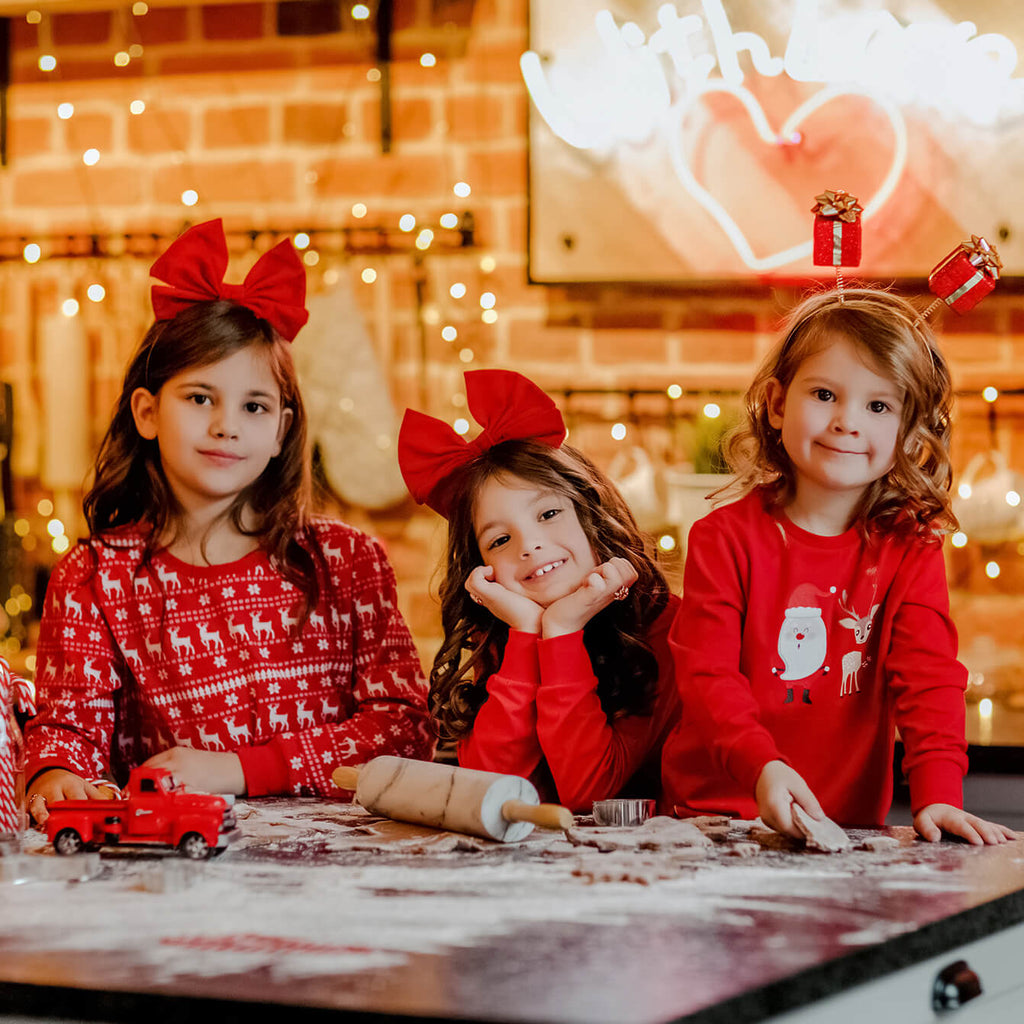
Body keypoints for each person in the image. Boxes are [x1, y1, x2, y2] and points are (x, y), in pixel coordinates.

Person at [24, 219, 433, 821]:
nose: (227, 425)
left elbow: (403, 729)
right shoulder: (93, 580)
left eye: (254, 405)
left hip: (340, 875)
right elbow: (68, 727)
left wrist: (243, 769)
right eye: (199, 398)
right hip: (180, 871)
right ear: (146, 411)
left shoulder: (348, 563)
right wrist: (57, 772)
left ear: (281, 431)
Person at [661, 287, 1016, 845]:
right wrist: (761, 767)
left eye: (878, 406)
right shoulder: (722, 539)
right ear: (778, 405)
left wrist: (940, 794)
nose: (848, 422)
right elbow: (709, 681)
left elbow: (928, 680)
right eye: (825, 394)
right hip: (714, 821)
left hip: (843, 828)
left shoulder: (910, 547)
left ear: (906, 429)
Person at [397, 368, 680, 812]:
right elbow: (490, 790)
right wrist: (529, 634)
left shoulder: (666, 628)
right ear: (482, 567)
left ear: (592, 513)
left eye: (548, 514)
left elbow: (591, 797)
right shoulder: (507, 633)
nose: (529, 546)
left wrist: (563, 631)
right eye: (500, 540)